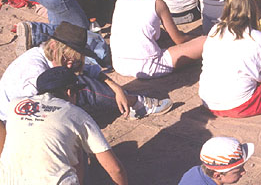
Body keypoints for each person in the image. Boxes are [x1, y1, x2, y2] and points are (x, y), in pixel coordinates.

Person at [0, 67, 136, 185]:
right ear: (70, 91)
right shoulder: (77, 114)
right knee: (77, 147)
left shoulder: (15, 105)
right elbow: (115, 168)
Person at [0, 22, 172, 141]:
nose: (70, 63)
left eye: (74, 59)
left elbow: (90, 69)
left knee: (76, 78)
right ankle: (135, 103)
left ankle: (126, 99)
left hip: (25, 115)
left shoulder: (52, 54)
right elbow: (30, 115)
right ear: (53, 47)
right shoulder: (33, 73)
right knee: (81, 88)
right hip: (16, 124)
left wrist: (117, 88)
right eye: (67, 58)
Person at [109, 0, 205, 78]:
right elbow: (179, 39)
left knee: (158, 32)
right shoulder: (157, 4)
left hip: (120, 64)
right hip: (148, 66)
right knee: (206, 41)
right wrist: (196, 38)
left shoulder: (121, 0)